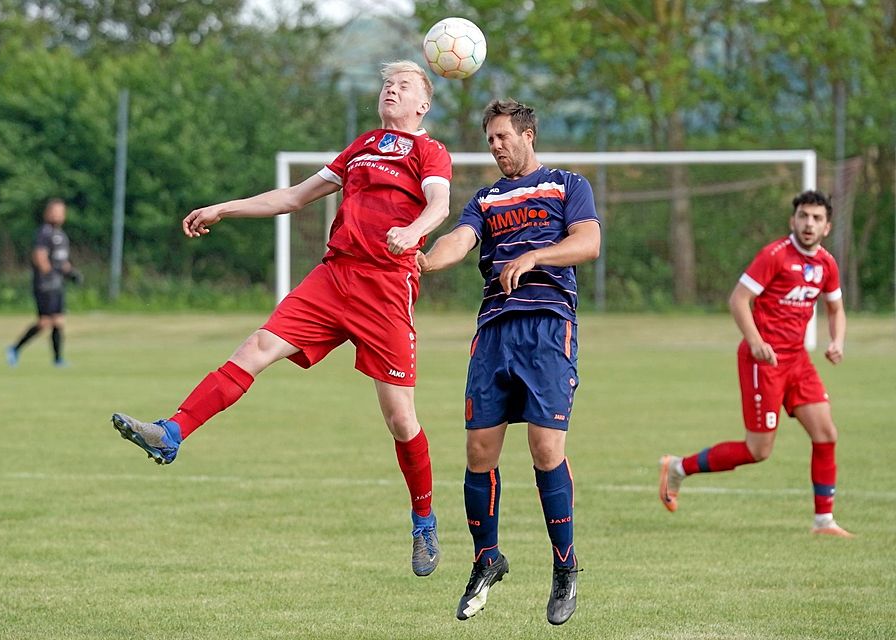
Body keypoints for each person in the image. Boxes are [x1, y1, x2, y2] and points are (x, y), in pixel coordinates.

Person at [110, 60, 450, 576]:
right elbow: (293, 197)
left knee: (401, 419)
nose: (390, 90)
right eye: (386, 83)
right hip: (335, 276)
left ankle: (423, 521)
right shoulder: (361, 147)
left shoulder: (430, 150)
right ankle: (171, 433)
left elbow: (439, 205)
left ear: (422, 104)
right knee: (256, 349)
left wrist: (413, 230)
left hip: (386, 286)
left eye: (403, 86)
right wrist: (225, 208)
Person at [417, 99, 600, 625]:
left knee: (545, 449)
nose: (495, 147)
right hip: (494, 329)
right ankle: (485, 560)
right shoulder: (485, 199)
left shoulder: (567, 184)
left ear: (528, 135)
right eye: (490, 139)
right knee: (479, 451)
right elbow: (461, 238)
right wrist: (425, 258)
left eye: (502, 137)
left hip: (546, 326)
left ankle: (564, 566)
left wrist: (536, 255)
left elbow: (588, 242)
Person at [659, 190, 853, 538]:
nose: (809, 223)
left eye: (817, 218)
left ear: (827, 227)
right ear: (793, 220)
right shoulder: (775, 255)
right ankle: (677, 467)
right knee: (758, 450)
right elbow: (739, 299)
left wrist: (837, 341)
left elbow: (836, 309)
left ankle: (824, 522)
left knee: (826, 434)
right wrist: (755, 340)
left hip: (797, 361)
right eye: (804, 216)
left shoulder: (827, 264)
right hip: (762, 361)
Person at [7, 198, 81, 367]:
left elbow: (62, 261)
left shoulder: (61, 236)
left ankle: (57, 359)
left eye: (61, 212)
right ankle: (15, 348)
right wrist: (50, 275)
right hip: (45, 285)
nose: (58, 215)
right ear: (47, 213)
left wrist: (71, 273)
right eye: (55, 211)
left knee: (59, 320)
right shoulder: (44, 233)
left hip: (57, 284)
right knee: (44, 322)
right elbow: (40, 257)